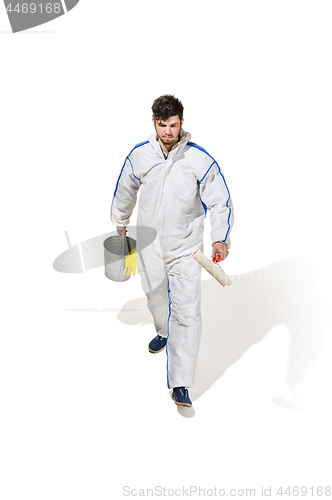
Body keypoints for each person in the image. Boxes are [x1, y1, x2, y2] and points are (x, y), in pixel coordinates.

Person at [111, 95, 234, 408]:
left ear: (182, 122)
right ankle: (163, 331)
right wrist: (120, 222)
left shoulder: (198, 160)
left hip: (185, 248)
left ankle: (181, 383)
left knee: (187, 312)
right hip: (149, 244)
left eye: (174, 124)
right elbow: (125, 189)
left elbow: (220, 200)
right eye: (163, 125)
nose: (168, 131)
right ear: (154, 123)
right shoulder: (140, 156)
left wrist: (220, 237)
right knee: (155, 295)